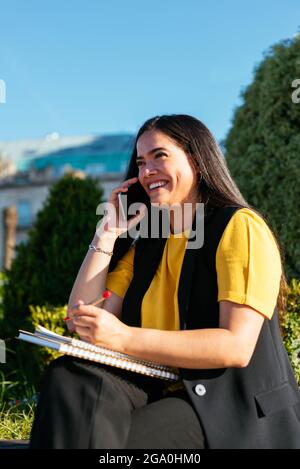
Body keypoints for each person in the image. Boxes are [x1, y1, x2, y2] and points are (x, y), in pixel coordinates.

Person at [30, 114, 300, 449]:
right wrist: (108, 233)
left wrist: (124, 336)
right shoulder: (148, 246)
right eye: (141, 162)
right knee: (69, 376)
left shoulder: (239, 227)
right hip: (161, 391)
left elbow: (235, 346)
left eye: (160, 156)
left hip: (228, 407)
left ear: (198, 161)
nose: (146, 171)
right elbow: (80, 317)